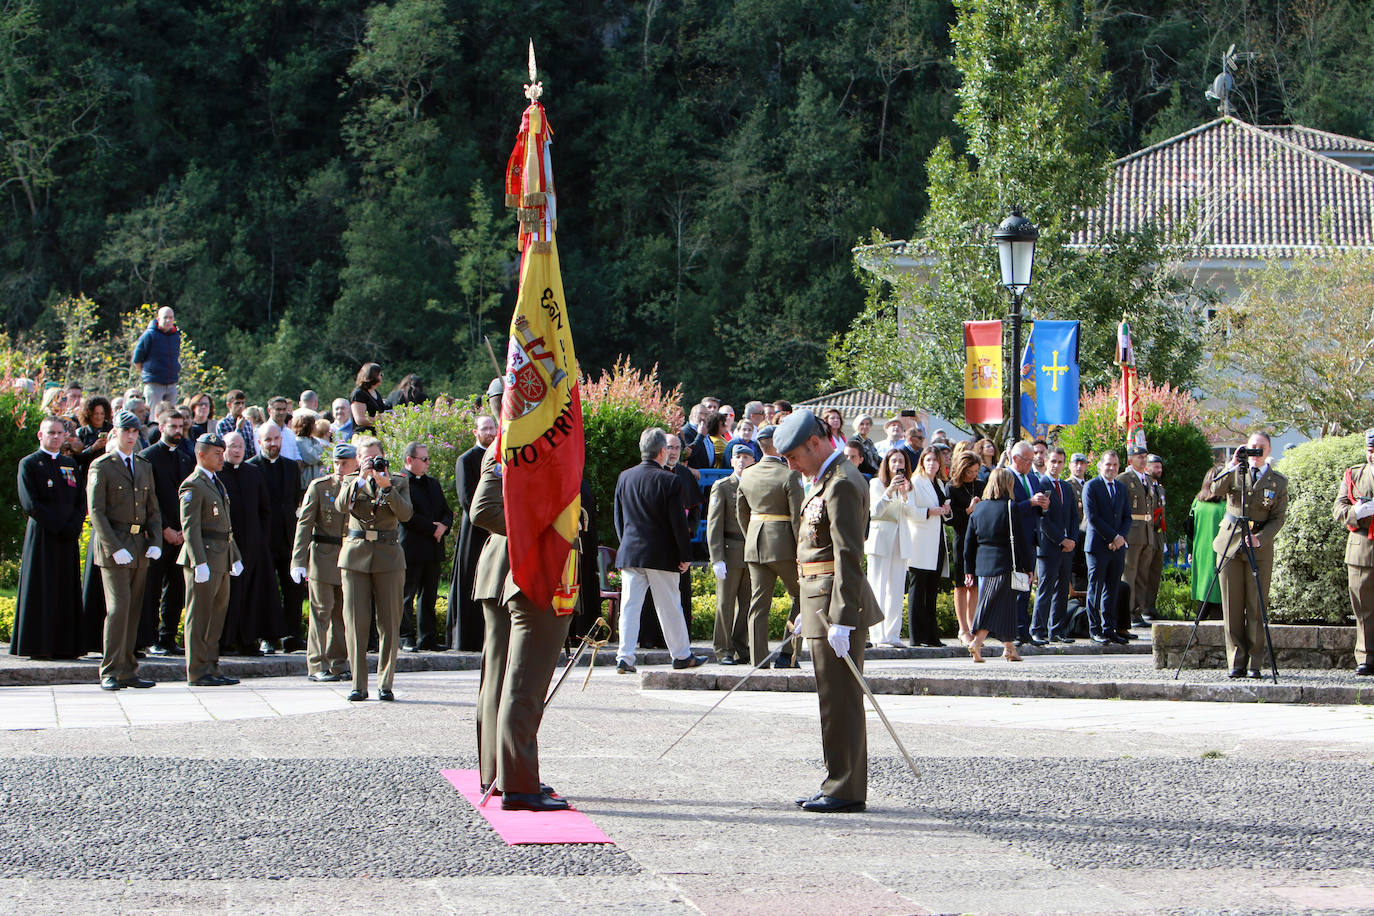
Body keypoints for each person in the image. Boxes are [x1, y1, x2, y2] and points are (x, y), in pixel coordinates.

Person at [774, 410, 882, 813]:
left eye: (794, 456)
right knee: (831, 699)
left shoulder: (842, 484)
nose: (791, 465)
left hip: (837, 606)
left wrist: (842, 618)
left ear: (815, 444)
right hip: (821, 602)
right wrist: (808, 606)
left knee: (841, 700)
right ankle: (837, 781)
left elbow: (848, 555)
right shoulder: (825, 481)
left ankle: (845, 787)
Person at [469, 440, 572, 812]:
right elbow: (484, 510)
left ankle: (499, 772)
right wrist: (550, 532)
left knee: (502, 679)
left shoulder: (530, 436)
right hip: (521, 567)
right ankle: (516, 781)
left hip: (508, 568)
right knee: (516, 680)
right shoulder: (518, 437)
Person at [612, 427, 704, 673]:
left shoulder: (625, 477)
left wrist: (626, 544)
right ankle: (681, 655)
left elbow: (619, 519)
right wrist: (685, 555)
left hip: (631, 551)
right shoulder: (669, 480)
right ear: (662, 451)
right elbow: (678, 523)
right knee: (670, 607)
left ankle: (625, 656)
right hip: (662, 555)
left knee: (630, 607)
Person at [87, 410, 163, 690]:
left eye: (135, 432)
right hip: (114, 545)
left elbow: (152, 508)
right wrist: (113, 546)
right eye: (126, 431)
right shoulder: (102, 466)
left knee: (133, 610)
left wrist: (155, 541)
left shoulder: (143, 466)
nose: (131, 436)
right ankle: (109, 669)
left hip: (138, 545)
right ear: (114, 433)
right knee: (118, 609)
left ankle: (128, 669)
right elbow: (96, 511)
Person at [336, 436, 413, 700]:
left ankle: (385, 683)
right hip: (356, 555)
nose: (370, 461)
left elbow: (406, 515)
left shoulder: (399, 482)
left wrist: (387, 488)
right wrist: (359, 479)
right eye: (365, 457)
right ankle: (358, 684)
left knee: (389, 621)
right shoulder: (350, 482)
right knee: (356, 621)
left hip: (388, 556)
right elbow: (339, 507)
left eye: (374, 457)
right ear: (358, 460)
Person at [1209, 432, 1287, 678]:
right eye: (1252, 447)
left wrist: (1261, 539)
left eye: (1260, 448)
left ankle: (1254, 662)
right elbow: (1214, 489)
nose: (1255, 452)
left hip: (1258, 546)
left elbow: (1278, 519)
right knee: (1232, 605)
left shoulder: (1277, 481)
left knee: (1256, 605)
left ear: (1269, 450)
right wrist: (1231, 464)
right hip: (1230, 542)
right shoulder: (1235, 471)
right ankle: (1236, 661)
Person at [11, 416, 86, 659]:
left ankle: (66, 645)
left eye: (59, 433)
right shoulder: (29, 464)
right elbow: (30, 503)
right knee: (41, 588)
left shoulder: (70, 464)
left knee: (66, 589)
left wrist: (74, 525)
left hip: (67, 537)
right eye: (50, 433)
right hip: (43, 536)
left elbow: (80, 500)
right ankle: (38, 645)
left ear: (65, 436)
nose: (55, 437)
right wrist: (58, 526)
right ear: (40, 436)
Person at [736, 424, 804, 668]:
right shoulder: (790, 474)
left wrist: (752, 536)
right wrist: (802, 549)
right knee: (802, 596)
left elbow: (741, 512)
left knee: (758, 603)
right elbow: (797, 518)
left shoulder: (748, 473)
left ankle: (758, 660)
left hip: (755, 544)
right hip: (784, 544)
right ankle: (788, 654)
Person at [179, 433, 243, 686]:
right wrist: (198, 561)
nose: (222, 456)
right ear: (201, 454)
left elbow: (226, 526)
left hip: (221, 556)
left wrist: (235, 556)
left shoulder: (216, 482)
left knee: (216, 616)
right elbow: (190, 527)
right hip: (205, 556)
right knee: (200, 616)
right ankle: (197, 670)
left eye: (222, 451)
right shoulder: (193, 484)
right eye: (217, 452)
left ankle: (211, 666)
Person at [290, 442, 356, 683]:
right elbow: (304, 524)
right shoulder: (320, 487)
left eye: (345, 463)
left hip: (348, 555)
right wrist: (298, 559)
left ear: (355, 463)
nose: (340, 468)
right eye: (337, 463)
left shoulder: (358, 486)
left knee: (342, 614)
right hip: (322, 555)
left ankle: (339, 662)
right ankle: (317, 663)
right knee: (321, 612)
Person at [217, 432, 285, 655]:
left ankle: (248, 640)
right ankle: (225, 642)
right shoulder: (217, 476)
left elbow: (265, 510)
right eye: (232, 446)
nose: (237, 451)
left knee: (253, 595)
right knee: (229, 596)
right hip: (227, 547)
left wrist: (261, 539)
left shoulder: (253, 473)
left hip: (254, 546)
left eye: (240, 446)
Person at [138, 405, 194, 656]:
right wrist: (164, 529)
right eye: (173, 426)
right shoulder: (147, 456)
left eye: (181, 426)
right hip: (156, 533)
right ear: (161, 427)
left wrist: (182, 530)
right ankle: (148, 638)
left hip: (181, 533)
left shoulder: (185, 457)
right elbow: (148, 498)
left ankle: (167, 637)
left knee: (176, 588)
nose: (178, 431)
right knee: (151, 588)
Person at [963, 468, 1033, 663]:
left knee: (1006, 606)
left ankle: (1010, 648)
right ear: (1007, 484)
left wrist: (968, 569)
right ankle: (977, 642)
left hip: (983, 563)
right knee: (992, 606)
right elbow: (1021, 540)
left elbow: (969, 543)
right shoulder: (1011, 507)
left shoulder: (979, 508)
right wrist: (1028, 567)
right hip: (1005, 563)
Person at [248, 421, 304, 653]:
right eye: (268, 440)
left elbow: (294, 501)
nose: (273, 444)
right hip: (263, 539)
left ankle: (292, 635)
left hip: (288, 537)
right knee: (266, 589)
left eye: (276, 439)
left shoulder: (292, 467)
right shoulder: (251, 467)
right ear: (259, 442)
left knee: (294, 588)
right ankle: (267, 636)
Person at [449, 406, 499, 651]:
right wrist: (489, 522)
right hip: (475, 529)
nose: (489, 433)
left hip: (498, 530)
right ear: (475, 432)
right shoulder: (466, 460)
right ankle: (469, 639)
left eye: (492, 428)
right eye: (485, 428)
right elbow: (467, 498)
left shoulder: (501, 456)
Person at [400, 441, 453, 651]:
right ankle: (406, 637)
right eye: (424, 459)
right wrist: (434, 529)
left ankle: (427, 637)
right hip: (412, 547)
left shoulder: (432, 483)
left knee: (429, 595)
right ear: (409, 460)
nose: (428, 463)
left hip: (433, 547)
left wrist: (444, 526)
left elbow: (447, 511)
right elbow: (407, 516)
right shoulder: (400, 483)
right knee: (407, 595)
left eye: (428, 458)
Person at [865, 449, 917, 648]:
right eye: (894, 461)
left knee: (896, 589)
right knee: (877, 587)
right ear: (887, 464)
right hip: (881, 538)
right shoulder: (876, 484)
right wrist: (889, 492)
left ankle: (893, 633)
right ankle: (878, 634)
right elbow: (875, 510)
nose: (897, 464)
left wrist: (904, 495)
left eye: (901, 461)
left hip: (900, 539)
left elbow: (912, 513)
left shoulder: (907, 486)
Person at [708, 445, 754, 665]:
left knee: (748, 603)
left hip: (751, 551)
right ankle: (723, 649)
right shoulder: (723, 486)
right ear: (731, 461)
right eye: (738, 457)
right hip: (729, 549)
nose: (742, 461)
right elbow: (714, 524)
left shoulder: (756, 486)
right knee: (725, 603)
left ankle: (741, 645)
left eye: (747, 457)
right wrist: (717, 557)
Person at [1333, 428, 1374, 677]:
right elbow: (1338, 507)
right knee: (1363, 607)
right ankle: (1366, 657)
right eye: (1371, 451)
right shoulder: (1354, 474)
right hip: (1361, 549)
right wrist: (1355, 513)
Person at [1030, 446, 1079, 645]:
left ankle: (1057, 629)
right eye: (1053, 462)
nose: (1056, 466)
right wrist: (1061, 540)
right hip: (1049, 547)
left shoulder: (1067, 487)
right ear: (1047, 462)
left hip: (1067, 547)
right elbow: (1043, 520)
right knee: (1046, 588)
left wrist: (1073, 539)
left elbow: (1074, 517)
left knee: (1062, 590)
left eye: (1060, 462)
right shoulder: (1040, 484)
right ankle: (1038, 629)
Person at [1082, 450, 1132, 645]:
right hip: (1098, 546)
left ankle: (1109, 628)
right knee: (1095, 588)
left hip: (1117, 547)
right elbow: (1093, 517)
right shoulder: (1091, 486)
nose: (1111, 468)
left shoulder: (1120, 488)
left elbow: (1127, 516)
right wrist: (1113, 536)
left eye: (1115, 465)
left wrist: (1120, 538)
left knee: (1113, 588)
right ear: (1100, 466)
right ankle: (1094, 629)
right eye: (1108, 464)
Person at [906, 446, 951, 647]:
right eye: (928, 460)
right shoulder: (916, 482)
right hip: (921, 541)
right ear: (922, 462)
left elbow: (943, 512)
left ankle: (932, 635)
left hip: (936, 540)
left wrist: (945, 510)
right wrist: (928, 512)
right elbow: (909, 510)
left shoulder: (939, 483)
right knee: (918, 587)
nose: (932, 463)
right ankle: (917, 635)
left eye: (935, 460)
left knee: (932, 588)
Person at [1006, 441, 1048, 642]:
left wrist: (1042, 505)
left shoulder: (1032, 478)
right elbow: (1006, 508)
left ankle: (1024, 631)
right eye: (1028, 460)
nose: (1032, 464)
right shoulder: (1006, 477)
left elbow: (1037, 510)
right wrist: (1029, 503)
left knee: (1026, 585)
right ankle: (1012, 630)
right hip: (1013, 539)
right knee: (1014, 587)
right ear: (1016, 459)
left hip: (1030, 539)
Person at [1118, 444, 1161, 638]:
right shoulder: (1124, 479)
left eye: (1145, 457)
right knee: (1130, 573)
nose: (1143, 460)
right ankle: (1126, 613)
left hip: (1146, 531)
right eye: (1139, 457)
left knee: (1143, 574)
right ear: (1130, 459)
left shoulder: (1149, 480)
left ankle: (1138, 611)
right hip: (1132, 532)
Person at [947, 451, 982, 645]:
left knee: (974, 584)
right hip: (962, 538)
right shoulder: (952, 488)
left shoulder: (980, 485)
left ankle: (973, 624)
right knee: (961, 584)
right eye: (969, 471)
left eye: (976, 471)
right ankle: (963, 628)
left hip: (978, 539)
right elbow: (951, 518)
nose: (973, 475)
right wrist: (968, 509)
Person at [1185, 465, 1225, 619]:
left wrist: (1190, 550)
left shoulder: (1197, 502)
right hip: (1219, 552)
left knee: (1204, 592)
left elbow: (1189, 528)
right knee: (1218, 593)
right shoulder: (1226, 505)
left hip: (1200, 552)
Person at [131, 306, 180, 408]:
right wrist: (149, 374)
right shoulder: (149, 335)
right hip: (154, 385)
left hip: (171, 384)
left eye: (171, 318)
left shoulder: (175, 336)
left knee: (171, 416)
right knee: (153, 416)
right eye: (165, 317)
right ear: (158, 319)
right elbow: (137, 359)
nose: (168, 320)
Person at [1140, 453, 1168, 621]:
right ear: (1147, 468)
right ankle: (1141, 607)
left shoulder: (1160, 488)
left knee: (1155, 574)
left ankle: (1150, 606)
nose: (1159, 470)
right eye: (1155, 467)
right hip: (1147, 534)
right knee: (1143, 573)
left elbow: (1162, 514)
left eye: (1160, 467)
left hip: (1158, 536)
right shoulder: (1145, 485)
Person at [74, 396, 113, 480]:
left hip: (109, 473)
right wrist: (92, 448)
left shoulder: (112, 430)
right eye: (96, 414)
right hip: (88, 475)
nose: (99, 417)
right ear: (89, 414)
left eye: (102, 413)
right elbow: (77, 458)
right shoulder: (82, 432)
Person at [216, 390, 256, 459]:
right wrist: (238, 429)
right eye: (237, 403)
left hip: (247, 463)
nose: (241, 406)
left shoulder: (247, 423)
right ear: (229, 405)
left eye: (243, 403)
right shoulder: (223, 424)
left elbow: (251, 448)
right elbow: (226, 447)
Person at [349, 363, 388, 434]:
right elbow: (360, 420)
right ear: (373, 376)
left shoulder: (376, 392)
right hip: (363, 436)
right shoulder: (358, 394)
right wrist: (381, 419)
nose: (381, 377)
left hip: (378, 435)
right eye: (380, 374)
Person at [293, 410, 325, 489]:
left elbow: (323, 456)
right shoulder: (299, 441)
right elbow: (312, 458)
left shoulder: (314, 440)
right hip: (306, 483)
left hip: (317, 481)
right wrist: (319, 454)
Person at [268, 397, 301, 461]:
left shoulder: (290, 433)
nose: (281, 412)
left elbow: (297, 456)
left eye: (284, 409)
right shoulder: (263, 432)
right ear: (269, 410)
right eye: (278, 409)